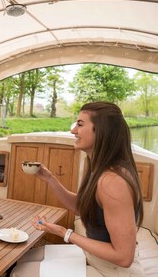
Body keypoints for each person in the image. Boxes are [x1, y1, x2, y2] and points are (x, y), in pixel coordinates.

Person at [11, 102, 144, 276]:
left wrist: (63, 232)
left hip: (113, 270)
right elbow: (83, 207)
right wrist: (50, 179)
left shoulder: (113, 181)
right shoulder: (97, 167)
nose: (73, 130)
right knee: (23, 258)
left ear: (102, 131)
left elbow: (124, 257)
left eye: (80, 124)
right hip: (95, 256)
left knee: (19, 273)